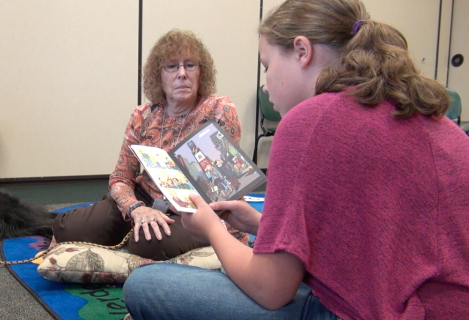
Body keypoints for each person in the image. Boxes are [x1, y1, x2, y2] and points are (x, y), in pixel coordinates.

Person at [123, 0, 469, 319]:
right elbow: (367, 237)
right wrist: (262, 224)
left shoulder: (309, 122)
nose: (267, 84)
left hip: (377, 311)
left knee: (146, 284)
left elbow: (271, 289)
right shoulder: (431, 117)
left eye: (267, 65)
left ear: (302, 51)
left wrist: (213, 228)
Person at [53, 29, 243, 260]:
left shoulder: (219, 110)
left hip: (194, 211)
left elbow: (226, 183)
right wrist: (136, 209)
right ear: (158, 76)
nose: (182, 73)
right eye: (172, 66)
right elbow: (121, 178)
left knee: (147, 243)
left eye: (190, 65)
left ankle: (143, 233)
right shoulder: (142, 116)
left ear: (201, 72)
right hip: (145, 199)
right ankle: (136, 224)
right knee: (66, 228)